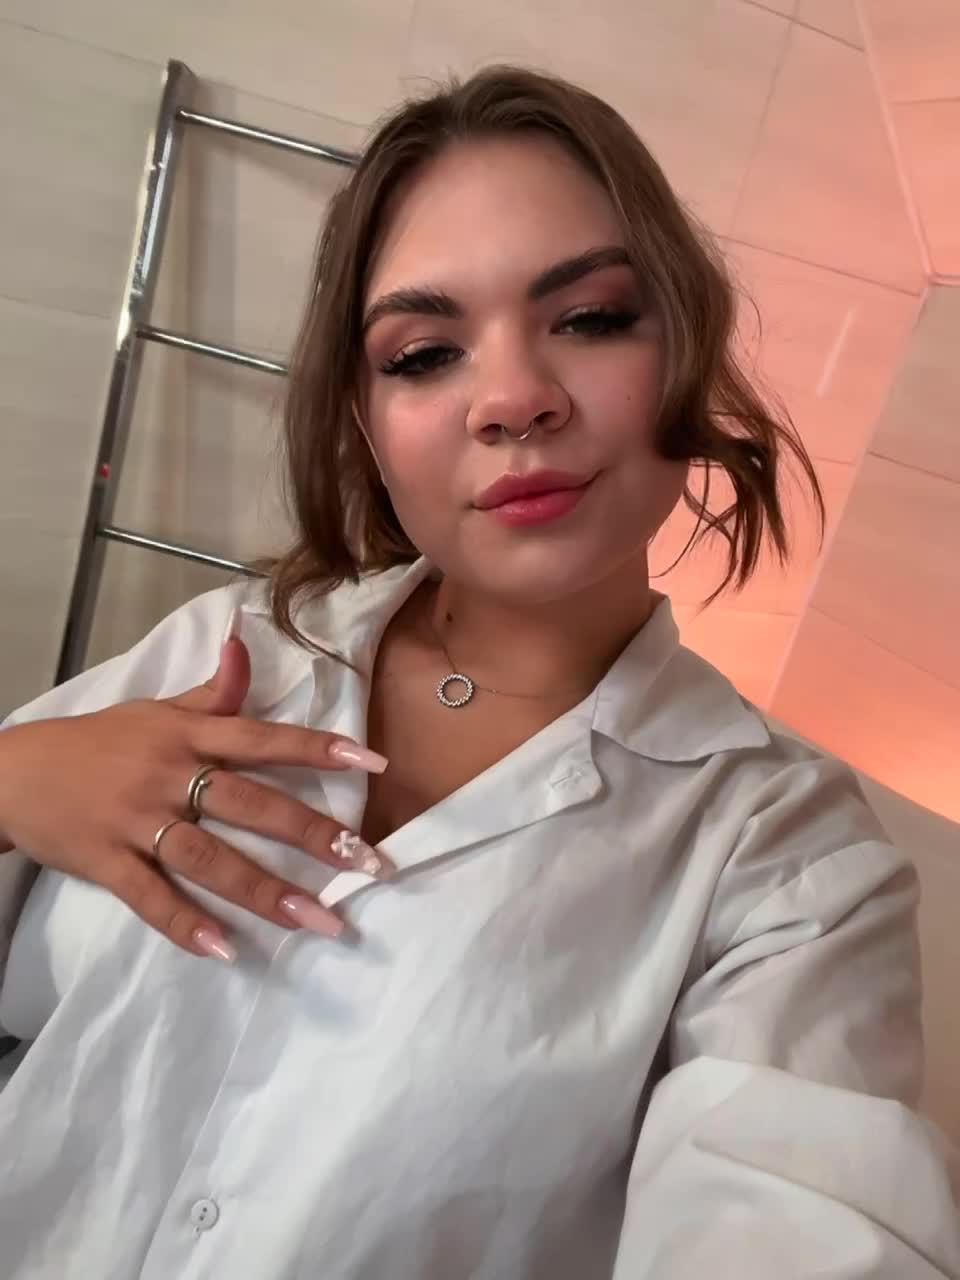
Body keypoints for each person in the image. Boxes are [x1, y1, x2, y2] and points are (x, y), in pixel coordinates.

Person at [0, 64, 957, 1280]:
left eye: (591, 318)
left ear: (688, 349)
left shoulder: (785, 858)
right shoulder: (221, 648)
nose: (512, 400)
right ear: (365, 417)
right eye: (423, 352)